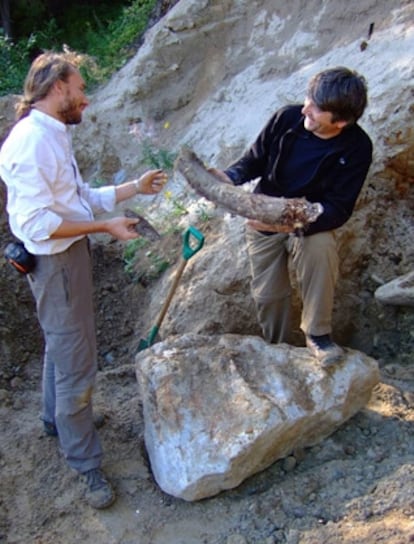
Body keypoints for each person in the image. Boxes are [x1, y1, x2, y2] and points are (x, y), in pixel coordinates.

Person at [0, 51, 167, 509]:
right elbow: (37, 227)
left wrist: (134, 187)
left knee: (62, 342)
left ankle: (55, 420)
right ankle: (85, 462)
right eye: (79, 89)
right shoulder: (31, 142)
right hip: (56, 262)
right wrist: (104, 227)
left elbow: (76, 200)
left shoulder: (50, 134)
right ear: (57, 88)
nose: (86, 99)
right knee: (77, 362)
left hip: (66, 257)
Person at [215, 67, 373, 368]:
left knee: (322, 247)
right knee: (268, 295)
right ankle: (279, 349)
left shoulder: (357, 148)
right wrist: (227, 176)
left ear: (340, 122)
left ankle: (318, 335)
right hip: (263, 216)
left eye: (316, 109)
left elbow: (338, 209)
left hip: (309, 223)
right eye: (308, 99)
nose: (305, 109)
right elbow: (253, 161)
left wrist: (288, 221)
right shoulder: (287, 119)